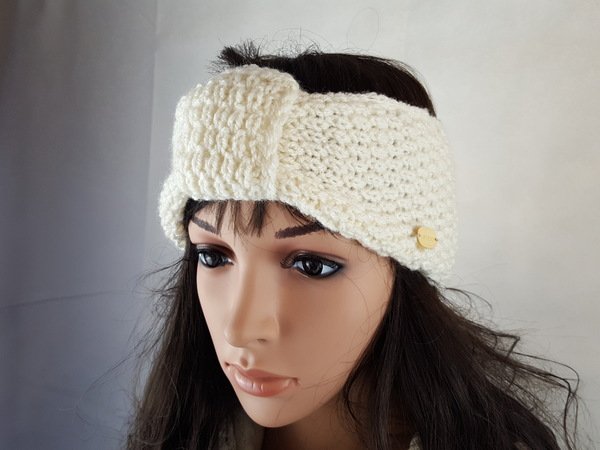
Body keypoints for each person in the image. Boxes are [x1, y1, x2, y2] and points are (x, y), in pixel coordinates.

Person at [126, 41, 579, 450]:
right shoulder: (179, 431)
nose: (239, 329)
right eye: (212, 256)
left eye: (311, 265)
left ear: (405, 269)